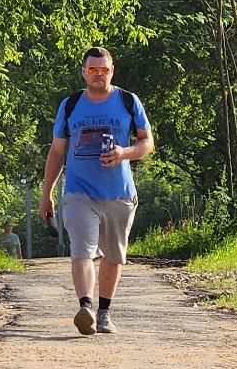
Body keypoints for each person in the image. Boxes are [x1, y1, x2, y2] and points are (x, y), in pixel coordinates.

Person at [40, 47, 155, 335]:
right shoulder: (71, 105)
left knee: (113, 256)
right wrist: (47, 194)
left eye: (103, 69)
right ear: (83, 72)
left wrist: (124, 153)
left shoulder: (128, 101)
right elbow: (56, 153)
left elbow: (147, 143)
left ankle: (104, 312)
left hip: (119, 192)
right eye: (93, 69)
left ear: (112, 70)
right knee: (82, 249)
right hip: (79, 191)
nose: (98, 74)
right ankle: (85, 307)